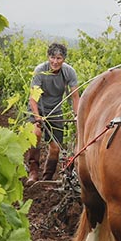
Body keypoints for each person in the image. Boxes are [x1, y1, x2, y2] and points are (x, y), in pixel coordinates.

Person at [26, 42, 80, 184]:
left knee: (55, 148)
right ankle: (33, 172)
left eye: (59, 58)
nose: (55, 62)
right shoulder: (40, 71)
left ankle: (47, 179)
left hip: (56, 111)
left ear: (64, 59)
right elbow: (33, 98)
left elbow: (75, 96)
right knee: (35, 134)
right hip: (38, 108)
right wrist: (37, 118)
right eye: (52, 57)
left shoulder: (69, 72)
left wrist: (77, 116)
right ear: (48, 57)